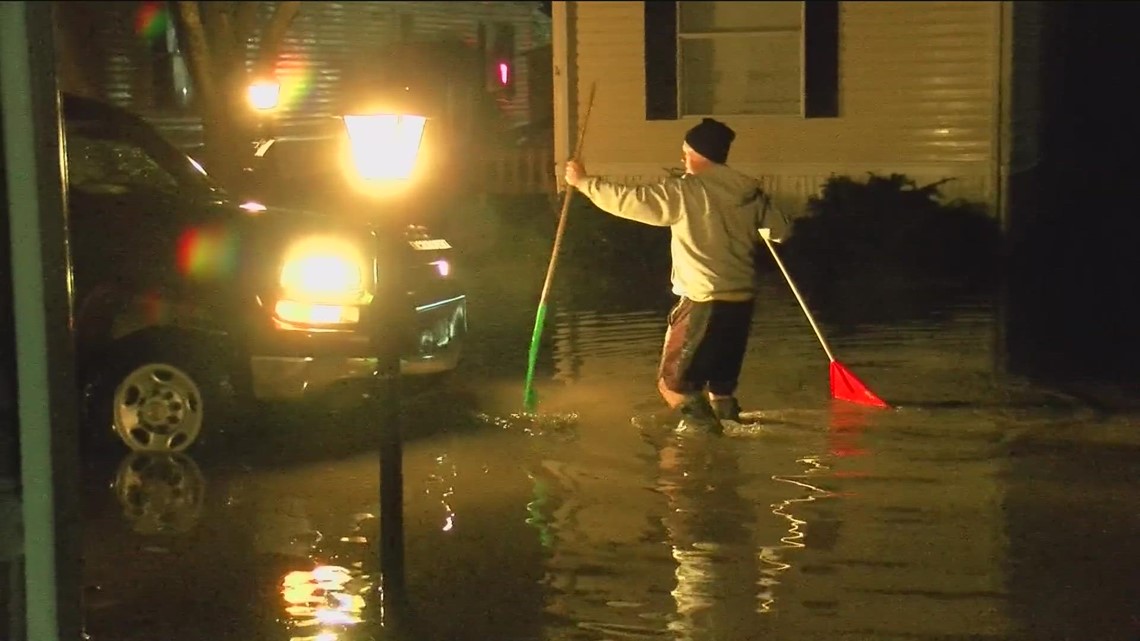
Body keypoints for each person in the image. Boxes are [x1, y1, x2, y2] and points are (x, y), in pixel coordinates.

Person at [563, 118, 788, 434]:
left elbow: (632, 201)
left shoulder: (686, 191)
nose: (682, 158)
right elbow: (781, 232)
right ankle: (728, 445)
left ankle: (702, 451)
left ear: (696, 153)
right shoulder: (750, 192)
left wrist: (584, 182)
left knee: (674, 386)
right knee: (720, 388)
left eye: (685, 151)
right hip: (740, 303)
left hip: (702, 301)